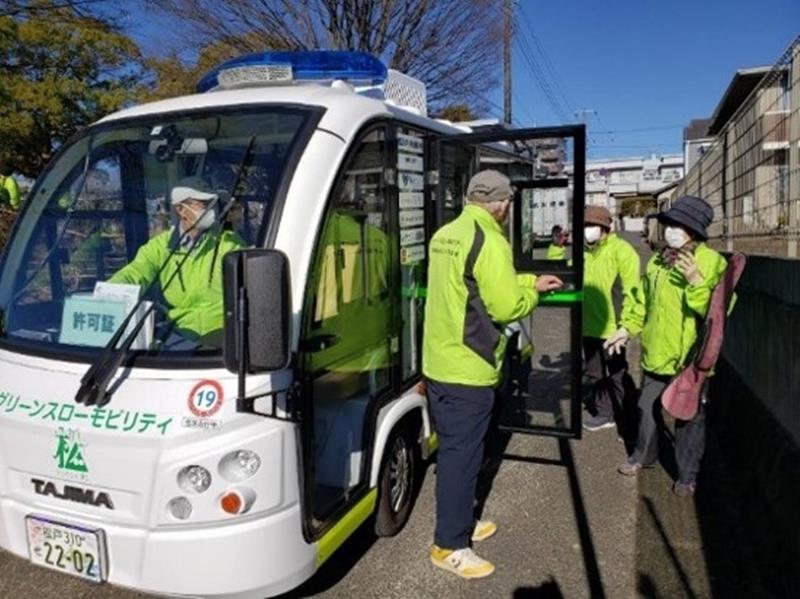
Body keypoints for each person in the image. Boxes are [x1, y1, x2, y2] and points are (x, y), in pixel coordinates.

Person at [423, 170, 563, 578]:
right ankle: (449, 545)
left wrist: (527, 280)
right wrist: (534, 293)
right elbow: (505, 307)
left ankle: (461, 521)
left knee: (456, 452)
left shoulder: (445, 234)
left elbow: (474, 283)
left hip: (440, 360)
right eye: (508, 203)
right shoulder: (491, 240)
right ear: (501, 204)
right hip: (468, 367)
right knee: (461, 457)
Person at [607, 195, 728, 497]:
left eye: (677, 225)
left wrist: (696, 281)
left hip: (690, 359)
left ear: (693, 230)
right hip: (656, 352)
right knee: (646, 406)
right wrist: (626, 329)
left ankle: (687, 475)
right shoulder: (658, 261)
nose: (670, 230)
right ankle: (643, 455)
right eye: (669, 224)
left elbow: (718, 312)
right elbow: (641, 301)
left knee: (688, 418)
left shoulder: (713, 263)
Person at [109, 176, 246, 345]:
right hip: (180, 335)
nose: (212, 210)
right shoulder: (159, 247)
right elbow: (135, 272)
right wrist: (109, 292)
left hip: (223, 333)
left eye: (213, 204)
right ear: (181, 209)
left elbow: (248, 283)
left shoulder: (229, 243)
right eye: (204, 204)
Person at [581, 205, 642, 433]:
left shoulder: (622, 251)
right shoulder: (584, 252)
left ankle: (629, 422)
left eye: (592, 225)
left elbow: (632, 292)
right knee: (594, 374)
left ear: (605, 227)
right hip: (588, 326)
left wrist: (626, 326)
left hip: (612, 330)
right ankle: (605, 413)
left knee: (617, 375)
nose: (587, 230)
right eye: (585, 225)